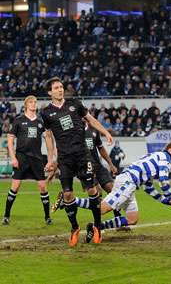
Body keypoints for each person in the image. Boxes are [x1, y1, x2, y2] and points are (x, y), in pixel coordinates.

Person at [41, 77, 113, 247]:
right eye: (56, 88)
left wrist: (105, 132)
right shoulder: (46, 113)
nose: (60, 90)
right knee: (67, 194)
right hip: (65, 159)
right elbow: (49, 137)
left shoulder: (74, 103)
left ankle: (97, 226)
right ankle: (74, 228)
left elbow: (91, 120)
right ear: (50, 92)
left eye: (61, 87)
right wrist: (51, 160)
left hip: (82, 155)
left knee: (92, 190)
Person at [76, 142, 171, 241]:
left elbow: (148, 187)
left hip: (130, 183)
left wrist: (165, 201)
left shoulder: (156, 158)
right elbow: (163, 180)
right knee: (102, 209)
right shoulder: (165, 158)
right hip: (128, 182)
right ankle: (72, 200)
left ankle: (96, 226)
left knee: (132, 218)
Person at [2, 96, 54, 225]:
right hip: (21, 158)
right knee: (15, 186)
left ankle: (47, 217)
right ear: (26, 105)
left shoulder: (41, 122)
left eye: (35, 102)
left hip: (37, 159)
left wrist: (50, 159)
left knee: (43, 187)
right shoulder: (18, 120)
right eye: (31, 102)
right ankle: (6, 215)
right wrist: (13, 158)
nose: (34, 104)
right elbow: (10, 140)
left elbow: (48, 139)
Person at [52, 121, 120, 217]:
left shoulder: (94, 130)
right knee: (98, 195)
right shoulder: (72, 132)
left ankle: (118, 219)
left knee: (113, 191)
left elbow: (100, 148)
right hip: (84, 167)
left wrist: (111, 164)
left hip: (98, 166)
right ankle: (71, 201)